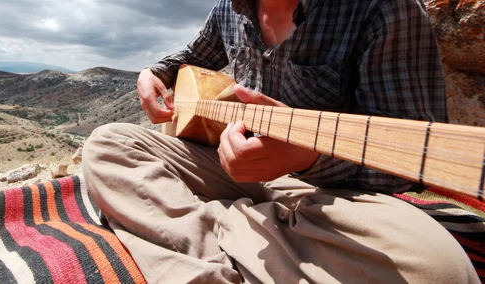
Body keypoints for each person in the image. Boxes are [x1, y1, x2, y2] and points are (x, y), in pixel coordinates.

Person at [82, 0, 480, 282]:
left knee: (437, 270)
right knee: (107, 144)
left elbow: (406, 163)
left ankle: (224, 223)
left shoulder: (384, 8)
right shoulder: (230, 8)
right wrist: (156, 72)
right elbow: (193, 55)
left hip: (333, 193)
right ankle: (246, 243)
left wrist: (308, 158)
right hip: (234, 168)